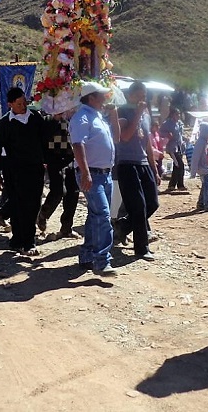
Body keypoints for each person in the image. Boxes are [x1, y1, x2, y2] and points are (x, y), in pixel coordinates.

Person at [69, 82, 120, 275]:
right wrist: (85, 172)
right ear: (91, 97)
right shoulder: (82, 117)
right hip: (92, 173)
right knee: (103, 216)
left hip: (103, 173)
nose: (105, 99)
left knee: (95, 216)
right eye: (102, 95)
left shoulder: (97, 117)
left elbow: (115, 139)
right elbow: (77, 145)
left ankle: (87, 255)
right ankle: (101, 260)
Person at [0, 87, 47, 255]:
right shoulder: (5, 123)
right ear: (10, 104)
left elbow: (44, 141)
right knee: (18, 205)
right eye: (19, 104)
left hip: (35, 169)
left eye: (24, 103)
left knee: (33, 205)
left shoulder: (36, 118)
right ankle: (18, 239)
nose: (23, 106)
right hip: (13, 170)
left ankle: (29, 241)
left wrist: (46, 160)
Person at [113, 81, 161, 259]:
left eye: (145, 96)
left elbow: (147, 141)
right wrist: (138, 113)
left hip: (144, 163)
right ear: (131, 95)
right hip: (127, 163)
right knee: (138, 206)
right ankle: (142, 248)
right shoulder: (123, 111)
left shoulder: (147, 114)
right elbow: (124, 137)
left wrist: (154, 168)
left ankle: (124, 226)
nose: (143, 99)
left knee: (153, 203)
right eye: (140, 96)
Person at [37, 109, 81, 240]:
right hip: (54, 157)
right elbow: (44, 136)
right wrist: (56, 118)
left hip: (71, 157)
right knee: (58, 190)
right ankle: (43, 214)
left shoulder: (76, 118)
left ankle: (66, 228)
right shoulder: (49, 119)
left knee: (73, 192)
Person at [190, 120, 208, 211]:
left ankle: (201, 203)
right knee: (207, 185)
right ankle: (207, 204)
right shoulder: (200, 143)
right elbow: (195, 158)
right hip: (202, 168)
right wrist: (193, 172)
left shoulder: (204, 142)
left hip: (205, 168)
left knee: (205, 185)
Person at [159, 107, 186, 193]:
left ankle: (173, 185)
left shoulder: (179, 123)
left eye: (179, 114)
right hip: (172, 147)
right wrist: (167, 135)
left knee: (176, 166)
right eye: (176, 114)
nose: (178, 116)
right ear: (172, 115)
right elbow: (160, 132)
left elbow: (180, 134)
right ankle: (180, 184)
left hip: (179, 147)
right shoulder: (167, 123)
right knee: (180, 165)